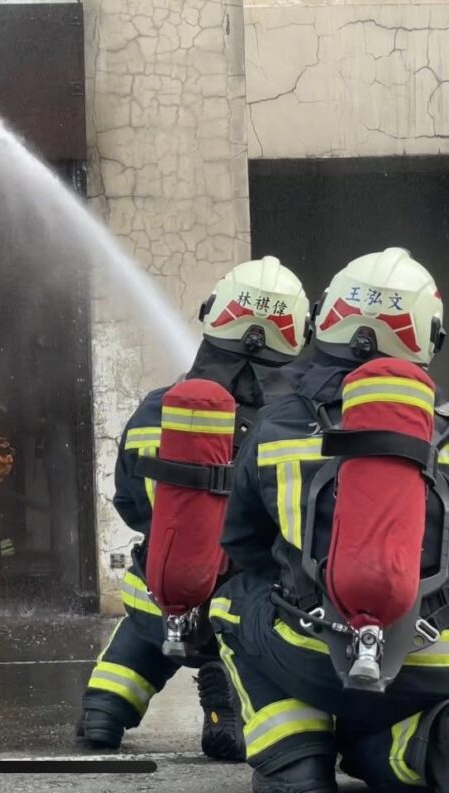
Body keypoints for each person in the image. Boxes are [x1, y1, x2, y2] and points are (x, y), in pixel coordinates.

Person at [212, 247, 449, 792]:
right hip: (433, 660)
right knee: (406, 711)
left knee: (230, 599)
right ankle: (413, 749)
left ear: (325, 317)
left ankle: (294, 754)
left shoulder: (275, 425)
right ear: (427, 338)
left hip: (312, 653)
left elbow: (242, 543)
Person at [78, 257, 310, 760]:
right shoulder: (299, 424)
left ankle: (103, 708)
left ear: (212, 315)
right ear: (300, 332)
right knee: (267, 648)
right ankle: (226, 699)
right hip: (245, 611)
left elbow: (128, 501)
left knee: (138, 637)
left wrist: (177, 536)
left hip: (159, 597)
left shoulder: (156, 408)